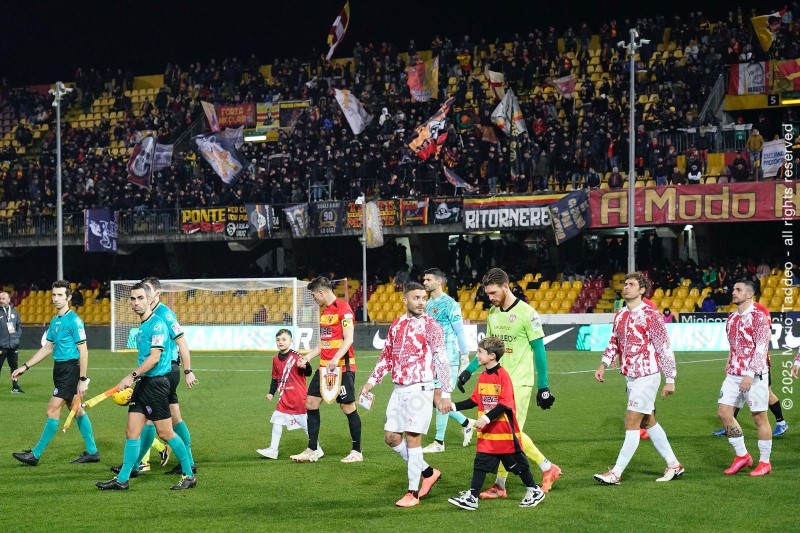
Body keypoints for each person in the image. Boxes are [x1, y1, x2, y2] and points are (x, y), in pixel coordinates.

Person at [457, 268, 562, 495]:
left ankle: (540, 470)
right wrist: (469, 370)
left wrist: (543, 386)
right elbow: (487, 349)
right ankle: (507, 483)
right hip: (498, 383)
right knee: (501, 432)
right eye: (488, 294)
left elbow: (539, 351)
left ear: (506, 287)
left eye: (494, 293)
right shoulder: (493, 313)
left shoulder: (527, 313)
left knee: (511, 433)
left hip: (520, 383)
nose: (490, 298)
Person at [360, 282, 453, 508]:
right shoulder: (397, 323)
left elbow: (441, 359)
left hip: (420, 388)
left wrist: (446, 392)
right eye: (416, 298)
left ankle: (413, 493)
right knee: (391, 437)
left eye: (424, 298)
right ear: (405, 300)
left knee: (412, 438)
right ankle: (428, 472)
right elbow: (386, 357)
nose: (421, 302)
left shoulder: (431, 325)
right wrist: (371, 382)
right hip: (399, 389)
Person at [96, 282, 196, 490]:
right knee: (131, 432)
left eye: (140, 298)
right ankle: (122, 479)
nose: (136, 302)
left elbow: (154, 358)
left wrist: (131, 376)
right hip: (144, 383)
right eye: (132, 299)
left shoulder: (158, 324)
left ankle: (189, 474)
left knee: (165, 433)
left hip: (156, 384)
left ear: (150, 299)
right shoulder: (143, 326)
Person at [593, 272, 682, 485]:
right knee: (647, 421)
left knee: (631, 422)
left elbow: (664, 347)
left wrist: (670, 379)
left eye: (631, 284)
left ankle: (616, 472)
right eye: (625, 284)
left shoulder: (651, 315)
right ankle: (674, 464)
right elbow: (614, 342)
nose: (626, 287)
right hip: (630, 376)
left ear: (642, 290)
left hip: (647, 375)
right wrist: (603, 364)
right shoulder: (620, 314)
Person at [448, 337, 545, 510]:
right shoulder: (483, 376)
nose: (477, 356)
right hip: (488, 433)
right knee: (480, 463)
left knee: (518, 464)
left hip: (504, 431)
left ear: (492, 356)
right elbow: (474, 400)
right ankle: (472, 497)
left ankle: (534, 490)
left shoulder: (503, 376)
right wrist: (453, 406)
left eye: (480, 352)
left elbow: (504, 403)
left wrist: (485, 418)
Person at [11, 280, 99, 466]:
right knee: (76, 408)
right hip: (59, 369)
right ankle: (92, 452)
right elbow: (47, 348)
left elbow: (83, 351)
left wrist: (83, 379)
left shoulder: (74, 321)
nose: (56, 298)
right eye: (54, 295)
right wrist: (25, 367)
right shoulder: (55, 320)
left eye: (60, 295)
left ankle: (35, 454)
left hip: (70, 369)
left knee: (52, 409)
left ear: (68, 297)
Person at [290, 277, 362, 463]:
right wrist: (307, 357)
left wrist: (336, 358)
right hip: (324, 367)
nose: (314, 298)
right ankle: (312, 449)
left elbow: (349, 338)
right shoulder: (325, 313)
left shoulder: (344, 309)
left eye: (314, 295)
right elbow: (324, 342)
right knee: (311, 403)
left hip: (342, 367)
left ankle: (357, 451)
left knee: (347, 407)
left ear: (321, 292)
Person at [716, 280, 772, 476]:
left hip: (754, 375)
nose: (734, 292)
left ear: (749, 294)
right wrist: (729, 363)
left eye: (738, 290)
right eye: (733, 289)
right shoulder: (731, 318)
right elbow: (734, 346)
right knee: (724, 413)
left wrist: (750, 374)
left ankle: (765, 462)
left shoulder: (759, 317)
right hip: (733, 374)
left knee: (759, 418)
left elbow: (761, 347)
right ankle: (742, 455)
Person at [712, 301, 788, 438]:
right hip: (739, 365)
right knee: (736, 393)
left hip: (758, 364)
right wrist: (730, 360)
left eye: (739, 290)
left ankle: (781, 422)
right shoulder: (737, 312)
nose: (735, 293)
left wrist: (758, 361)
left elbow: (766, 336)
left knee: (768, 393)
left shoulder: (760, 310)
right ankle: (729, 424)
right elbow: (735, 343)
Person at [421, 268, 475, 452]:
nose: (425, 282)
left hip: (448, 359)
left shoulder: (450, 304)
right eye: (424, 279)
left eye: (428, 279)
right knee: (434, 399)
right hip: (432, 359)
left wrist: (464, 357)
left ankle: (439, 442)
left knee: (441, 397)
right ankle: (466, 423)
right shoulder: (427, 305)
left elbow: (460, 331)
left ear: (439, 281)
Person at [257, 329, 313, 459]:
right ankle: (273, 450)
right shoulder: (275, 359)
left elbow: (309, 372)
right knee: (277, 420)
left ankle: (316, 448)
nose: (280, 342)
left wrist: (306, 367)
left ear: (291, 341)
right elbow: (275, 378)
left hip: (298, 398)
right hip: (284, 398)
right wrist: (271, 393)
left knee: (306, 425)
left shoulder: (296, 356)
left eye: (284, 339)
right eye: (278, 340)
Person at [0, 291, 24, 393]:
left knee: (14, 367)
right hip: (1, 346)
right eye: (0, 299)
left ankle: (15, 387)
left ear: (9, 300)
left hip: (13, 346)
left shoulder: (14, 312)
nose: (1, 300)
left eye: (3, 298)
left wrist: (16, 338)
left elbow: (19, 326)